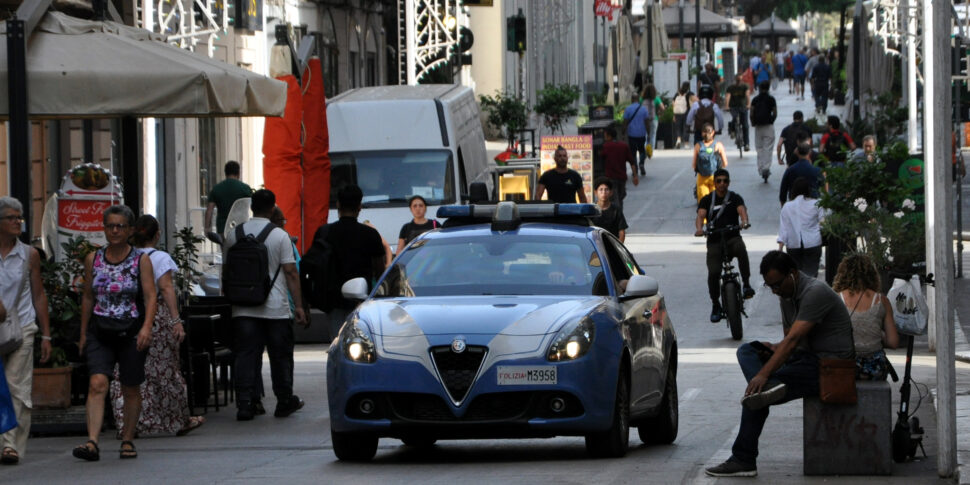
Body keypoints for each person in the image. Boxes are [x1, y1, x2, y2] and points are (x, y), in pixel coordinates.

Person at [705, 250, 854, 477]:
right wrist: (773, 349)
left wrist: (764, 374)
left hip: (829, 365)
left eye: (776, 285)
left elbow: (793, 341)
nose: (775, 291)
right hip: (805, 358)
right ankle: (768, 389)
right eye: (770, 287)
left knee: (757, 395)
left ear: (792, 274)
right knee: (747, 350)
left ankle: (744, 458)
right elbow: (789, 339)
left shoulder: (815, 292)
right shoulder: (787, 295)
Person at [74, 205, 157, 461]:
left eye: (120, 226)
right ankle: (92, 441)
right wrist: (84, 333)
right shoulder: (94, 259)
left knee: (130, 387)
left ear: (131, 230)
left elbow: (150, 295)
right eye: (110, 225)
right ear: (104, 227)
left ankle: (128, 439)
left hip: (131, 330)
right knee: (97, 383)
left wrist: (146, 327)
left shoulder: (140, 260)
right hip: (100, 329)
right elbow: (88, 297)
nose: (115, 230)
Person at [109, 215, 204, 437]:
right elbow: (167, 288)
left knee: (129, 369)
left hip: (130, 316)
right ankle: (175, 419)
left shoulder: (125, 256)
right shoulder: (160, 257)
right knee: (165, 369)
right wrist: (175, 320)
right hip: (157, 317)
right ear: (157, 235)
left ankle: (130, 422)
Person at [224, 189, 308, 422]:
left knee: (245, 355)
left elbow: (226, 271)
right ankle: (284, 401)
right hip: (275, 308)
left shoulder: (234, 234)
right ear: (272, 208)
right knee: (280, 356)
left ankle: (245, 404)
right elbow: (291, 272)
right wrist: (298, 306)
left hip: (242, 309)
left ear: (252, 208)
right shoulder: (279, 236)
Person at [0, 197, 51, 465]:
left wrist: (46, 334)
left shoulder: (29, 255)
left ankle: (10, 446)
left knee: (16, 387)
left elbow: (39, 294)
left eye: (19, 217)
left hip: (22, 326)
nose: (17, 222)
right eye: (11, 217)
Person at [311, 184, 387, 340]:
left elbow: (314, 267)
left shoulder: (324, 232)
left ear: (338, 204)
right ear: (359, 207)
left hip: (333, 300)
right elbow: (380, 269)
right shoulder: (370, 234)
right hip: (361, 301)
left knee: (338, 343)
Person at [694, 169, 754, 323]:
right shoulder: (707, 200)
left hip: (732, 238)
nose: (722, 184)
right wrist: (700, 229)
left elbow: (742, 211)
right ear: (714, 183)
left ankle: (746, 284)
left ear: (729, 182)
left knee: (741, 249)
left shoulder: (735, 198)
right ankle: (715, 304)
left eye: (725, 181)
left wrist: (744, 222)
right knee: (713, 272)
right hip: (714, 241)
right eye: (719, 181)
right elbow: (700, 215)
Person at [832, 253, 899, 381]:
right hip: (876, 367)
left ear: (842, 274)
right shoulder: (881, 301)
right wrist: (877, 334)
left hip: (845, 366)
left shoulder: (835, 299)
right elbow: (893, 342)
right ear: (872, 275)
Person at [777, 178, 825, 277]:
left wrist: (780, 249)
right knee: (811, 276)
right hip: (813, 243)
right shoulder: (817, 204)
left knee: (796, 275)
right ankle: (810, 291)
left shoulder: (787, 207)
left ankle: (799, 291)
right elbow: (823, 224)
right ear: (808, 190)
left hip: (793, 245)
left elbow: (783, 230)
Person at [204, 161, 254, 245]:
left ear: (225, 173)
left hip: (223, 228)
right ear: (238, 172)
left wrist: (207, 228)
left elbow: (209, 210)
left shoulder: (216, 189)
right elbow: (253, 206)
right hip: (241, 227)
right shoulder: (245, 188)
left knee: (225, 253)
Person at [600, 127, 640, 208]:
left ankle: (617, 217)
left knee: (614, 200)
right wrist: (635, 176)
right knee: (619, 199)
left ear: (609, 136)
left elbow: (601, 157)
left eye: (605, 136)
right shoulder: (624, 146)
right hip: (622, 178)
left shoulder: (606, 146)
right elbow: (632, 162)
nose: (605, 138)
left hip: (610, 178)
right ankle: (619, 215)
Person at [692, 122, 729, 203]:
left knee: (703, 203)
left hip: (702, 178)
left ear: (702, 133)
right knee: (715, 201)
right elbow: (725, 163)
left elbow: (694, 165)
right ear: (713, 132)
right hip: (715, 177)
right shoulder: (718, 145)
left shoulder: (698, 146)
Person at [750, 80, 778, 182]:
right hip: (768, 126)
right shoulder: (771, 99)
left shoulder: (755, 99)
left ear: (760, 88)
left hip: (758, 126)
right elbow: (775, 113)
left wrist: (753, 122)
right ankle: (766, 167)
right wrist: (771, 121)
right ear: (768, 88)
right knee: (768, 148)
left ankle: (761, 168)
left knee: (759, 148)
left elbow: (752, 113)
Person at [591, 178, 629, 242]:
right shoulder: (591, 210)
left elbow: (622, 232)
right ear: (595, 192)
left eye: (606, 190)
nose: (604, 193)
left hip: (612, 244)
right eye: (601, 190)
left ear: (611, 192)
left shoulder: (616, 210)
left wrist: (618, 248)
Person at [623, 93, 651, 175]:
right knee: (642, 150)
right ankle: (641, 163)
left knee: (633, 152)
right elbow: (647, 123)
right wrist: (648, 133)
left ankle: (635, 168)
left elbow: (625, 122)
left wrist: (623, 132)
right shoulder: (644, 109)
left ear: (631, 99)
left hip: (631, 134)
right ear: (638, 99)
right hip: (642, 133)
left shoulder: (628, 109)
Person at [724, 75, 751, 151]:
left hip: (743, 107)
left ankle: (746, 144)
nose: (739, 82)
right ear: (735, 80)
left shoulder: (745, 86)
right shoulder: (731, 88)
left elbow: (747, 95)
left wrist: (748, 104)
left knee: (745, 125)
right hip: (734, 107)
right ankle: (732, 129)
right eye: (737, 80)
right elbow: (728, 97)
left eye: (740, 80)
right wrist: (726, 106)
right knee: (735, 117)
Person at [672, 82, 696, 149]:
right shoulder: (690, 93)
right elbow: (696, 101)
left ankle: (678, 140)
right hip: (687, 113)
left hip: (677, 113)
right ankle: (686, 143)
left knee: (678, 127)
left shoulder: (677, 93)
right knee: (686, 127)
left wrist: (674, 113)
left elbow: (673, 102)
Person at [644, 84, 665, 153]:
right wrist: (659, 114)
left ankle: (644, 149)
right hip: (654, 119)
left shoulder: (642, 99)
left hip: (644, 120)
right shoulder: (656, 98)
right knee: (653, 135)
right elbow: (663, 108)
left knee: (645, 135)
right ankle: (650, 151)